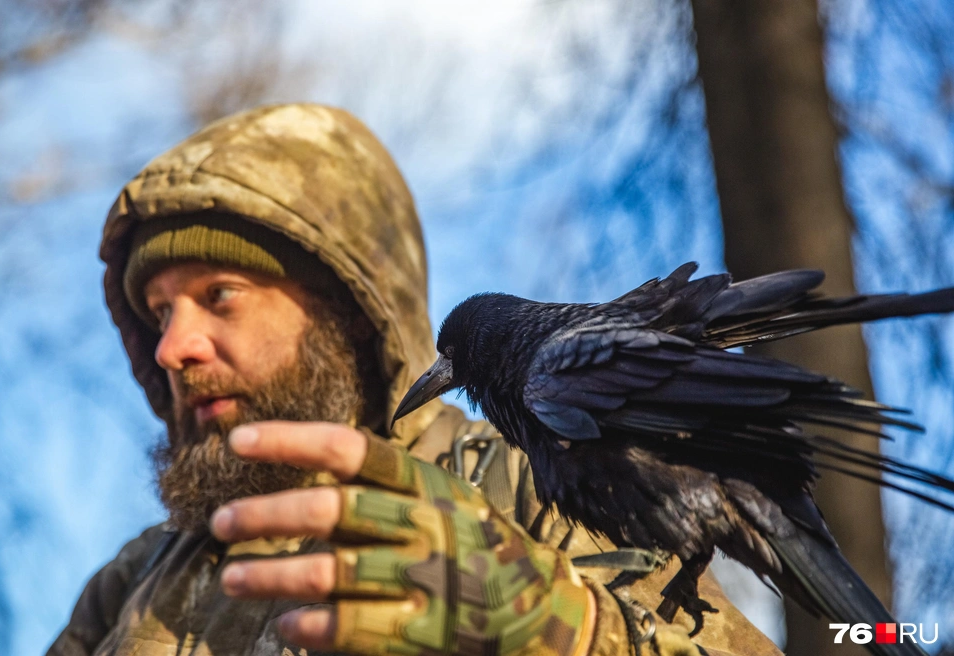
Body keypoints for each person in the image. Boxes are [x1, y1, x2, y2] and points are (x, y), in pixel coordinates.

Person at [47, 104, 781, 656]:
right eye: (157, 313)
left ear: (347, 313)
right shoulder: (134, 578)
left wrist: (569, 627)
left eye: (219, 297)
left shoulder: (536, 482)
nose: (173, 346)